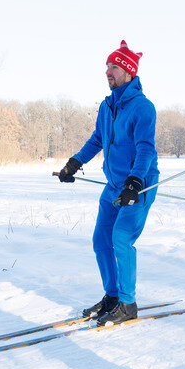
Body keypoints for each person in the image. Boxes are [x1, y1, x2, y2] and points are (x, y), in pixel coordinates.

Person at [56, 41, 159, 325]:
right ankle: (112, 297)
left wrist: (135, 182)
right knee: (101, 239)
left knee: (121, 239)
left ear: (128, 71)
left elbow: (146, 149)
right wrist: (75, 163)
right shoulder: (107, 105)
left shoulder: (143, 107)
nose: (108, 71)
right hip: (114, 185)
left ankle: (127, 303)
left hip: (139, 184)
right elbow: (98, 139)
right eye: (107, 67)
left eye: (114, 66)